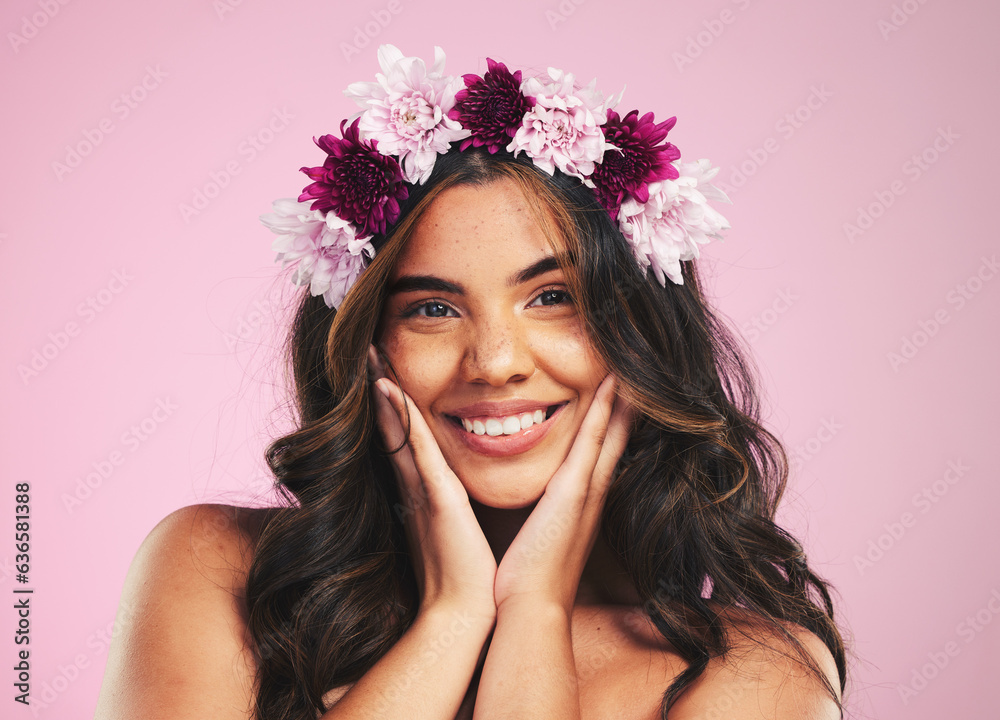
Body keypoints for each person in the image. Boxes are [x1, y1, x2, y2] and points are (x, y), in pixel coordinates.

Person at [95, 45, 847, 719]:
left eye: (555, 298)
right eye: (431, 307)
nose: (494, 361)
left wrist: (533, 612)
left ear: (642, 331)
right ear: (365, 345)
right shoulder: (215, 570)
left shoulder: (752, 677)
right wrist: (453, 618)